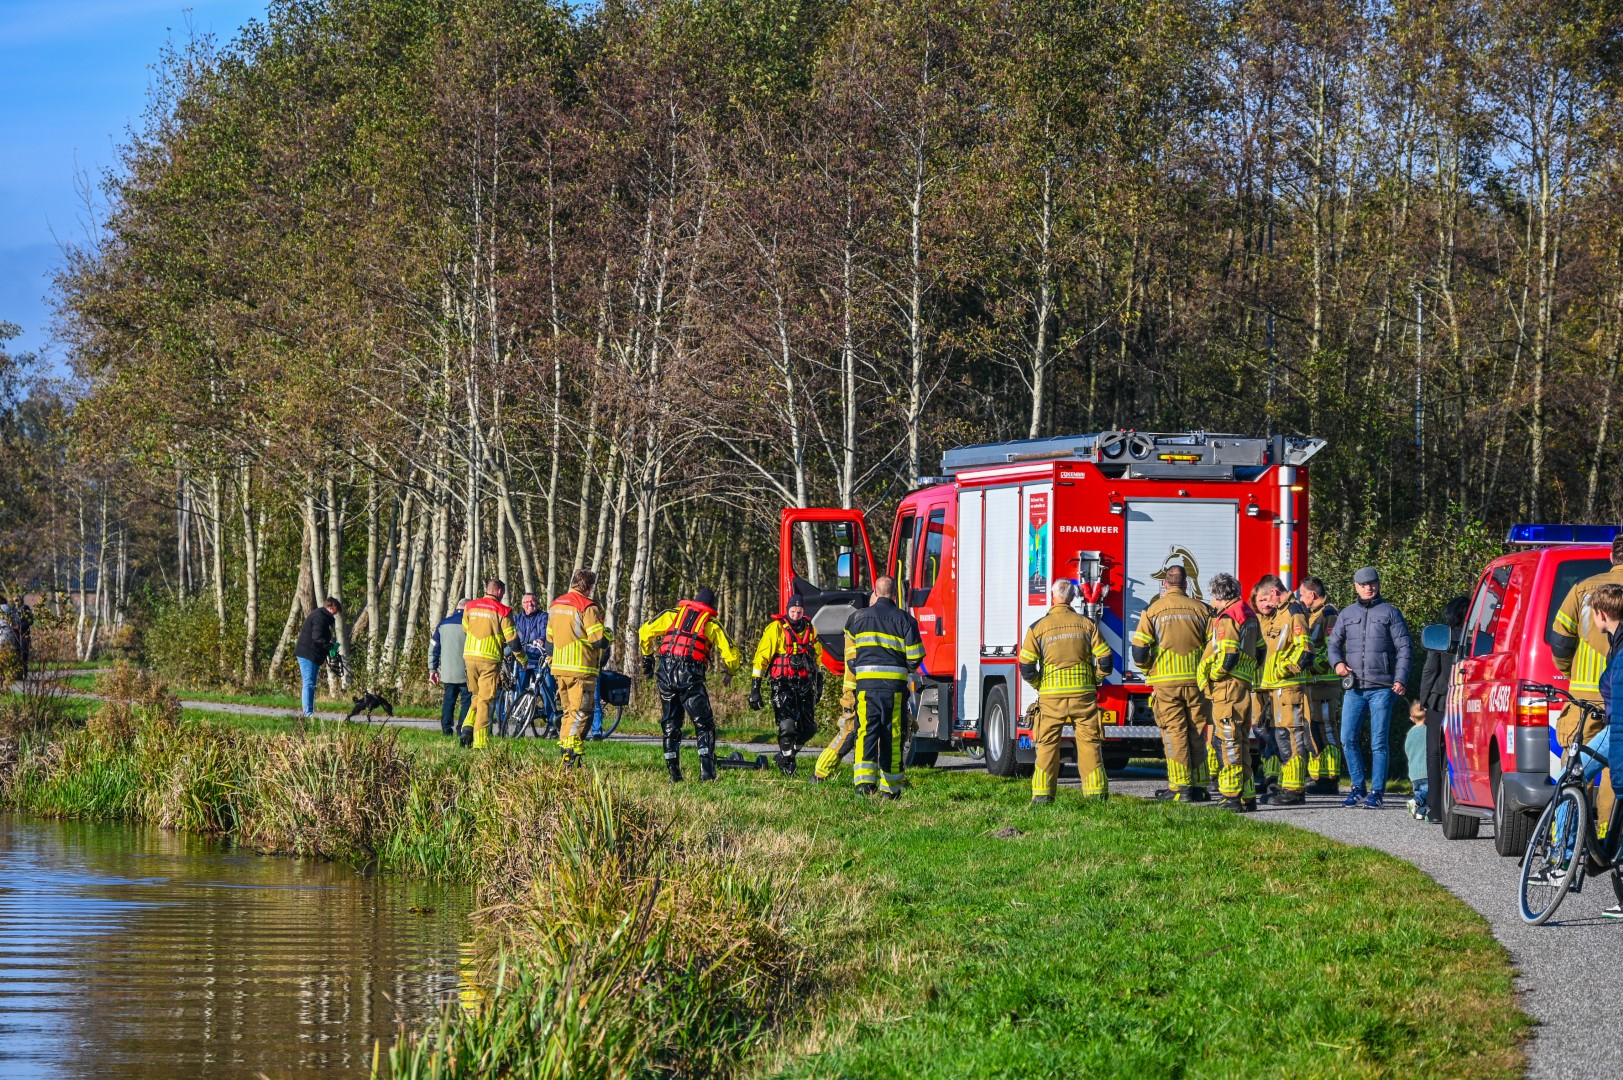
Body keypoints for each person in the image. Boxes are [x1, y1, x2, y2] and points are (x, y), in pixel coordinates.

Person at [1549, 536, 1623, 832]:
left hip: (1586, 699)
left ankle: (1562, 845)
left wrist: (1569, 673)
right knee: (1612, 772)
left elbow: (1561, 640)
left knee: (1576, 769)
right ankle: (1609, 838)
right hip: (1615, 699)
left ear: (1611, 556)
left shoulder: (1584, 589)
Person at [1020, 578, 1113, 804]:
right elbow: (1106, 660)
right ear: (1072, 598)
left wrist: (1040, 684)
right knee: (1090, 744)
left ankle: (1042, 796)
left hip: (1051, 698)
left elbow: (1026, 666)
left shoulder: (1038, 628)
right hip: (1084, 695)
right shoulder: (1087, 625)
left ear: (1053, 598)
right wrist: (1095, 679)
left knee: (1047, 746)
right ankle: (1096, 795)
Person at [1329, 566, 1413, 809]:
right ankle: (1357, 788)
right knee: (1347, 738)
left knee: (1378, 741)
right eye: (1363, 584)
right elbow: (1333, 644)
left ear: (1378, 584)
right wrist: (1338, 664)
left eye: (1372, 583)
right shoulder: (1346, 614)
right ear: (1355, 586)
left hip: (1383, 688)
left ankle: (1377, 791)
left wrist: (1401, 679)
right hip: (1354, 688)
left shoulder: (1391, 613)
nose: (1368, 587)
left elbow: (1405, 649)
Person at [640, 586, 741, 782]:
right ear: (711, 607)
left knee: (670, 725)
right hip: (690, 675)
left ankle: (674, 775)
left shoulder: (672, 615)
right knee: (704, 725)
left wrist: (647, 656)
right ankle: (707, 774)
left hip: (666, 673)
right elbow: (732, 652)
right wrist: (731, 671)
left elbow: (644, 631)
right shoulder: (711, 624)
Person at [1130, 564, 1211, 802]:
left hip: (1166, 683)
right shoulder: (1203, 610)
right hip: (1197, 682)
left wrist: (1148, 670)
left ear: (1165, 584)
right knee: (1197, 733)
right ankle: (1200, 786)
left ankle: (1180, 787)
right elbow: (1213, 647)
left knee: (1174, 732)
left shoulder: (1153, 611)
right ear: (1186, 584)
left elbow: (1139, 651)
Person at [846, 576, 925, 799]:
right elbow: (916, 657)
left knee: (865, 733)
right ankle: (890, 790)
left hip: (866, 688)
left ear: (876, 592)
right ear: (894, 594)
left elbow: (851, 655)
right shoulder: (906, 621)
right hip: (894, 689)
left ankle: (863, 785)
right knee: (892, 735)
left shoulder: (856, 618)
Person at [1198, 573, 1261, 811]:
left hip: (1228, 688)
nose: (1212, 603)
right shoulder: (1249, 613)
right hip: (1243, 686)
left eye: (1213, 598)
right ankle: (1247, 795)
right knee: (1242, 741)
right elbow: (1261, 650)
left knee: (1228, 742)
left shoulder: (1228, 617)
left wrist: (1215, 675)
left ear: (1219, 595)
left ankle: (1231, 795)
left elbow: (1229, 655)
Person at [750, 598, 825, 775]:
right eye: (793, 611)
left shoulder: (810, 629)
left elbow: (817, 657)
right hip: (782, 683)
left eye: (799, 611)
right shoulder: (775, 628)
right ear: (787, 610)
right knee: (788, 726)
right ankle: (788, 764)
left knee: (809, 728)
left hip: (805, 684)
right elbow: (761, 658)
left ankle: (783, 756)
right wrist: (755, 688)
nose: (796, 615)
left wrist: (819, 681)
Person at [1254, 575, 1312, 805]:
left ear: (1276, 592)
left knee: (1292, 737)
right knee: (1282, 738)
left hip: (1289, 687)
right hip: (1277, 689)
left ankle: (1295, 790)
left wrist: (1283, 670)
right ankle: (1287, 786)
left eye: (1269, 598)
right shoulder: (1281, 613)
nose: (1268, 603)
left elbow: (1304, 651)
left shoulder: (1294, 611)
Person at [1416, 595, 1469, 824]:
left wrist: (1423, 700)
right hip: (1468, 702)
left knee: (1435, 755)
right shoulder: (1479, 638)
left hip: (1441, 699)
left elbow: (1430, 670)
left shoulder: (1442, 636)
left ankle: (1436, 809)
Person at [548, 569, 608, 767]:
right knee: (581, 712)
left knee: (568, 712)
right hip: (580, 669)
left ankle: (567, 754)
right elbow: (598, 640)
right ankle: (570, 754)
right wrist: (609, 636)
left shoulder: (556, 605)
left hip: (559, 668)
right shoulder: (587, 607)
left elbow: (549, 640)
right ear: (589, 587)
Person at [461, 578, 520, 749]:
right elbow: (512, 640)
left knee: (477, 696)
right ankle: (480, 742)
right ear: (500, 592)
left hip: (470, 657)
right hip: (489, 659)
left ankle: (467, 727)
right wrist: (522, 658)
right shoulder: (503, 610)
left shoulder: (470, 606)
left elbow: (465, 628)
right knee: (486, 701)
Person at [1299, 577, 1343, 794]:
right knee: (1314, 728)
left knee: (1326, 727)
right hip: (1314, 684)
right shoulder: (1314, 615)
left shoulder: (1329, 615)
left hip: (1325, 682)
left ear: (1312, 595)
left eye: (1302, 594)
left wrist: (1313, 667)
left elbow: (1332, 649)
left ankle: (1330, 777)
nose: (1300, 598)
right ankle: (1318, 776)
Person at [293, 597, 342, 719]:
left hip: (312, 654)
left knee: (311, 683)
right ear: (330, 607)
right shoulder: (320, 617)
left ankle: (309, 711)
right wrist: (330, 646)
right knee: (309, 683)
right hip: (308, 654)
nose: (336, 614)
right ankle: (308, 713)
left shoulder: (322, 616)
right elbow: (317, 637)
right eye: (335, 611)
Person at [429, 599, 472, 737]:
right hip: (467, 672)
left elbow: (434, 648)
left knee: (449, 701)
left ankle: (446, 729)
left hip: (448, 673)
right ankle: (462, 729)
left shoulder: (443, 624)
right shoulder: (471, 625)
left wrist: (433, 669)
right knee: (467, 701)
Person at [1404, 700, 1430, 820]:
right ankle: (1415, 802)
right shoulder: (1428, 730)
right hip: (1426, 769)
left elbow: (1407, 750)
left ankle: (1420, 813)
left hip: (1414, 771)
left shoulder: (1410, 733)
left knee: (1419, 790)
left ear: (1411, 718)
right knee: (1428, 792)